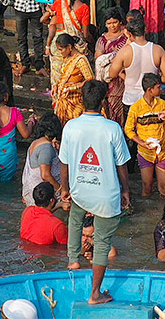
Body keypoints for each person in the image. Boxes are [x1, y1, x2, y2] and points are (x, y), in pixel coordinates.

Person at [59, 80, 130, 306]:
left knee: (75, 219)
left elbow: (64, 162)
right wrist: (126, 191)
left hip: (80, 189)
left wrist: (65, 188)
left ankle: (73, 261)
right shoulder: (112, 128)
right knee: (102, 242)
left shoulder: (70, 126)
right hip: (106, 195)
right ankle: (95, 293)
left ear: (81, 100)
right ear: (103, 102)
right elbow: (122, 165)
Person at [20, 181, 68, 245]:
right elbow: (69, 246)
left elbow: (42, 214)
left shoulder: (27, 211)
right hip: (46, 253)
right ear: (52, 200)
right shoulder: (58, 225)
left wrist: (59, 205)